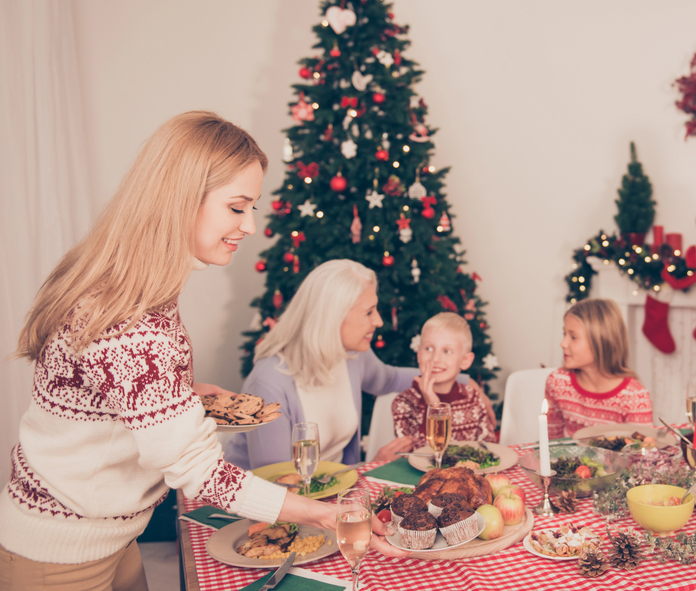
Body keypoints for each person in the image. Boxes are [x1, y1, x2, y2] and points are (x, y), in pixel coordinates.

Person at [1, 112, 404, 590]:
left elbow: (107, 393)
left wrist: (183, 394)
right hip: (62, 551)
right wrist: (323, 513)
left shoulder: (133, 290)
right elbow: (202, 474)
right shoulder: (132, 320)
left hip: (107, 535)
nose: (250, 226)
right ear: (181, 200)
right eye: (237, 208)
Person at [225, 260, 494, 470]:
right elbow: (276, 482)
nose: (378, 321)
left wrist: (464, 381)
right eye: (368, 312)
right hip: (256, 517)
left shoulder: (352, 356)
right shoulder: (269, 382)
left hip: (329, 498)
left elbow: (390, 379)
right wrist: (367, 467)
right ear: (333, 317)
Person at [545, 299, 653, 438]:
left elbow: (641, 452)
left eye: (573, 337)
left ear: (603, 341)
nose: (563, 343)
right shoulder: (557, 381)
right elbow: (553, 441)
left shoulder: (635, 397)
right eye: (564, 334)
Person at [391, 313, 499, 447]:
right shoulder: (404, 403)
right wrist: (434, 408)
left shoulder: (473, 398)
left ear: (465, 361)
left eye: (447, 351)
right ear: (419, 354)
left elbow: (489, 448)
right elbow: (413, 456)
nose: (435, 358)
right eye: (428, 349)